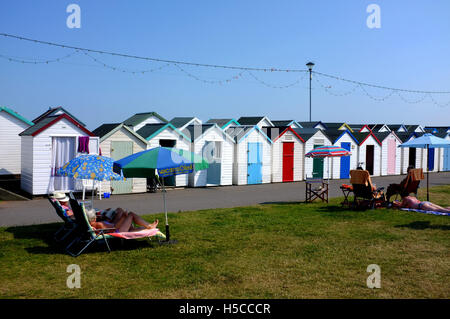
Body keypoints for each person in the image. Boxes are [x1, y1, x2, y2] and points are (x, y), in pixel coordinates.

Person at [86, 208, 159, 233]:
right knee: (131, 214)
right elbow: (114, 227)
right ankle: (149, 226)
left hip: (116, 227)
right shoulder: (99, 224)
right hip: (118, 230)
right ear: (93, 219)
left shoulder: (95, 224)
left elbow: (110, 225)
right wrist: (123, 217)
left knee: (119, 210)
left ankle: (147, 227)